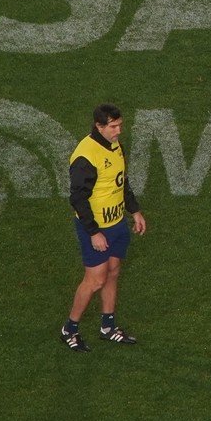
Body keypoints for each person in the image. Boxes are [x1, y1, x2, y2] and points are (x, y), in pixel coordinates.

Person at [60, 103, 147, 351]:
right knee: (95, 280)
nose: (119, 131)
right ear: (99, 126)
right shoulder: (86, 156)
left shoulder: (113, 144)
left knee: (113, 270)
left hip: (117, 221)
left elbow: (120, 181)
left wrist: (135, 210)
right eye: (113, 126)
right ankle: (70, 329)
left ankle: (107, 327)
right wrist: (94, 232)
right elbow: (77, 198)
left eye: (120, 125)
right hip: (97, 227)